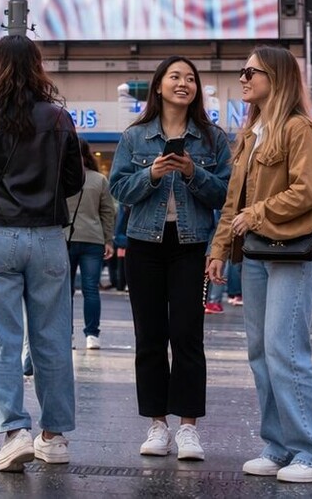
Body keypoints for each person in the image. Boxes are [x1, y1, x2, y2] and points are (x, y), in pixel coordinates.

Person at [206, 47, 312, 483]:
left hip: (295, 252)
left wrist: (257, 213)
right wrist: (219, 249)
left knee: (286, 351)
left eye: (251, 71)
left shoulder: (299, 129)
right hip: (258, 253)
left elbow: (309, 190)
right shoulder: (249, 133)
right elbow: (232, 201)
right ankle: (279, 446)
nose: (242, 78)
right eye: (242, 71)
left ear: (276, 77)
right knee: (261, 353)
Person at [0, 35, 84, 474]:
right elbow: (73, 182)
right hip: (49, 237)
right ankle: (55, 436)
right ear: (37, 66)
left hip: (1, 237)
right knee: (52, 339)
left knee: (1, 339)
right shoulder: (59, 117)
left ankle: (14, 433)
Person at [110, 56, 231, 461]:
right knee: (149, 337)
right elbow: (120, 190)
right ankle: (157, 424)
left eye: (191, 78)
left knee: (186, 334)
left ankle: (189, 428)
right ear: (158, 85)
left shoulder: (212, 139)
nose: (184, 83)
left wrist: (194, 172)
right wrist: (153, 175)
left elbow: (226, 196)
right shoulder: (135, 137)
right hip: (144, 244)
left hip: (190, 244)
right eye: (175, 77)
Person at [65, 138, 116, 351]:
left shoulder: (60, 177)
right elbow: (108, 211)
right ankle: (92, 335)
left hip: (64, 239)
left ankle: (67, 335)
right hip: (93, 240)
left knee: (64, 292)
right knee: (91, 290)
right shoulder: (99, 179)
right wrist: (108, 240)